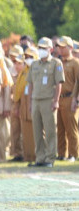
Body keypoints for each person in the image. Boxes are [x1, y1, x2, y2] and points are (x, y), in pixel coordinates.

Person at [27, 37, 64, 167]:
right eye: (40, 48)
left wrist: (56, 101)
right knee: (37, 131)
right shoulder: (34, 64)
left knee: (49, 131)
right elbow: (30, 84)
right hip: (36, 100)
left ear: (51, 49)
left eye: (44, 48)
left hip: (48, 100)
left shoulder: (56, 63)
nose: (41, 50)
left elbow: (59, 84)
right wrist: (30, 103)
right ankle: (40, 158)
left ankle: (50, 158)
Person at [56, 36, 79, 162]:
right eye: (59, 47)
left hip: (71, 97)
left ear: (70, 48)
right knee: (60, 128)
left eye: (63, 47)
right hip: (59, 98)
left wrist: (76, 100)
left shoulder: (75, 63)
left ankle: (73, 154)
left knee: (71, 128)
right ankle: (61, 153)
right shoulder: (58, 62)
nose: (60, 49)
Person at [18, 47, 38, 162]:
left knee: (37, 132)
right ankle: (28, 156)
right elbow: (18, 90)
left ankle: (38, 156)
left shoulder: (38, 69)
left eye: (31, 57)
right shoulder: (24, 71)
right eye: (26, 57)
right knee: (26, 134)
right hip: (24, 105)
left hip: (35, 103)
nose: (28, 59)